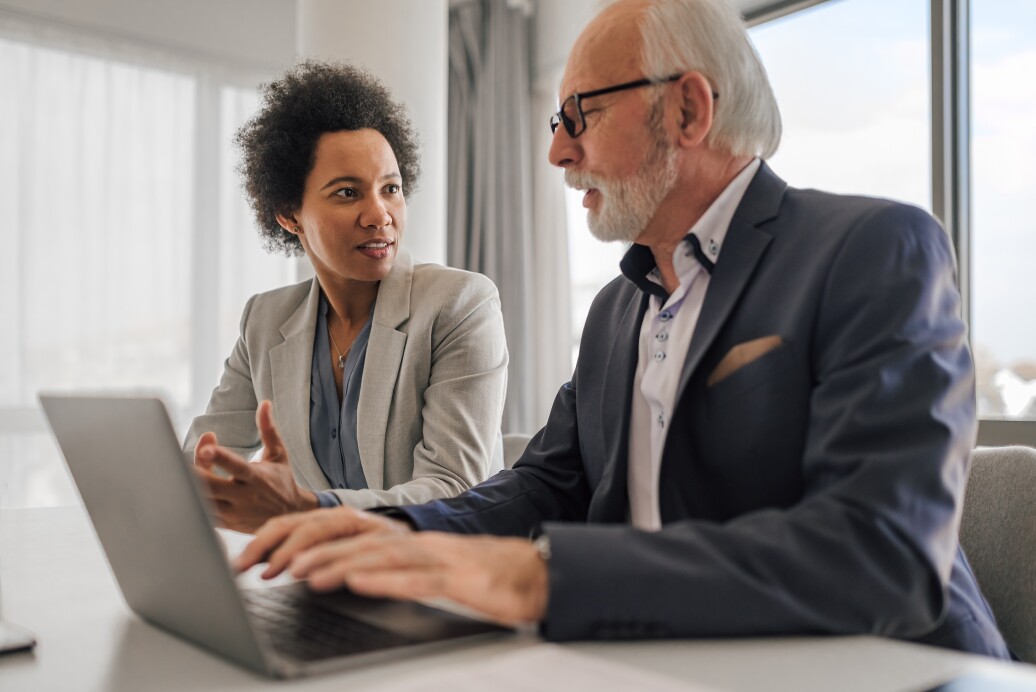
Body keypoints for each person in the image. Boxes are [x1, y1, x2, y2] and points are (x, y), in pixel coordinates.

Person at [234, 0, 1010, 658]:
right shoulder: (619, 308)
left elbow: (882, 557)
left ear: (688, 110)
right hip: (668, 660)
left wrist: (540, 577)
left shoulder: (872, 250)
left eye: (582, 114)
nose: (557, 151)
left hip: (889, 668)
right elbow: (543, 486)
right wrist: (362, 529)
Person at [183, 61, 508, 534]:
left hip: (442, 576)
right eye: (347, 192)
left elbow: (451, 488)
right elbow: (205, 461)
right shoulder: (265, 320)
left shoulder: (461, 305)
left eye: (390, 189)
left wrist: (303, 510)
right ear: (289, 215)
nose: (380, 215)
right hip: (327, 578)